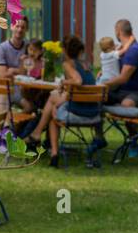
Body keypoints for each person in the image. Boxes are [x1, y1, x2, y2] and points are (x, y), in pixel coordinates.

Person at [24, 36, 100, 168]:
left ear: (65, 50)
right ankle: (53, 153)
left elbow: (78, 81)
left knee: (53, 98)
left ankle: (37, 135)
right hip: (93, 111)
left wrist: (63, 82)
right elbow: (78, 91)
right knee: (54, 114)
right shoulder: (86, 64)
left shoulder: (68, 64)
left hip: (79, 111)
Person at [103, 19, 138, 108]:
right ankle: (96, 121)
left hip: (135, 93)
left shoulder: (134, 50)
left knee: (126, 104)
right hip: (119, 91)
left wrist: (104, 84)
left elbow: (123, 78)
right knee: (95, 97)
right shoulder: (122, 48)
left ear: (118, 32)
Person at [0, 20, 35, 113]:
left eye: (23, 27)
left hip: (26, 90)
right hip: (8, 88)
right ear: (12, 27)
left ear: (26, 30)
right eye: (17, 26)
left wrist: (12, 70)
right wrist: (21, 69)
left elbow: (33, 71)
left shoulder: (29, 47)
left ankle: (14, 125)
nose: (20, 30)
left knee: (32, 107)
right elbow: (3, 74)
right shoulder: (1, 48)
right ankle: (10, 124)